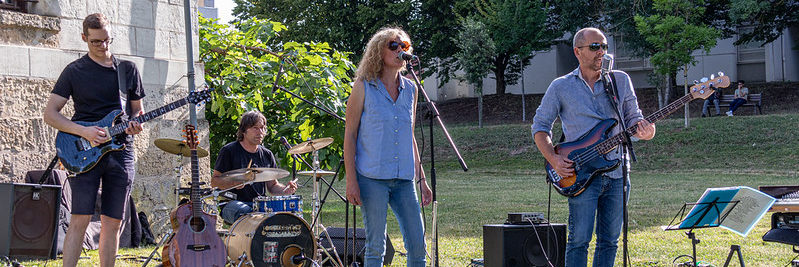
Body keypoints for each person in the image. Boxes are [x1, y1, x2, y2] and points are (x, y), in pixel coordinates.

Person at [532, 27, 656, 267]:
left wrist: (647, 131)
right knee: (579, 240)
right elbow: (539, 126)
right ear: (577, 51)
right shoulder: (561, 86)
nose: (602, 52)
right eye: (595, 47)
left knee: (610, 241)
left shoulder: (619, 80)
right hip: (580, 173)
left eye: (604, 47)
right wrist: (554, 159)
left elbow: (634, 119)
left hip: (618, 173)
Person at [43, 13, 145, 267]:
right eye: (96, 41)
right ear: (84, 38)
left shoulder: (127, 69)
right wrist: (83, 132)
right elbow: (50, 114)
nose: (103, 46)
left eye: (107, 40)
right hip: (83, 151)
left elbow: (137, 109)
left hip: (121, 151)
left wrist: (136, 124)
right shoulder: (74, 71)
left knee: (114, 221)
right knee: (80, 217)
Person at [344, 27, 433, 267]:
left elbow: (409, 136)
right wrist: (351, 180)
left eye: (404, 46)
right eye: (393, 45)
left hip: (404, 178)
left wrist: (421, 179)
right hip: (371, 176)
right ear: (378, 51)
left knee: (417, 244)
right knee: (376, 247)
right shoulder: (363, 86)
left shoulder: (412, 89)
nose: (400, 50)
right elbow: (350, 135)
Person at [211, 110, 298, 225]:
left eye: (262, 128)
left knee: (285, 217)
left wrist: (285, 190)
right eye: (255, 128)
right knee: (249, 214)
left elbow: (272, 186)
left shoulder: (267, 154)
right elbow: (214, 182)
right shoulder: (229, 151)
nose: (260, 132)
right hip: (231, 203)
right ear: (244, 131)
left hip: (260, 204)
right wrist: (234, 184)